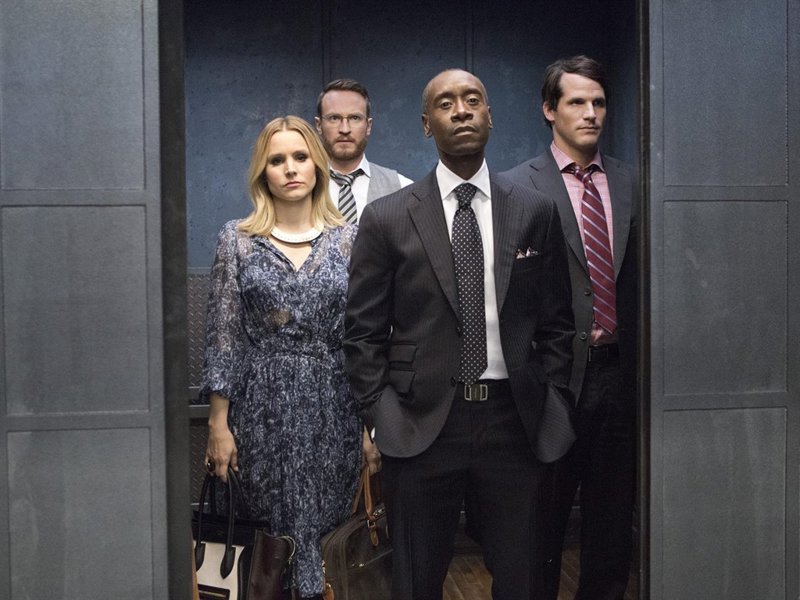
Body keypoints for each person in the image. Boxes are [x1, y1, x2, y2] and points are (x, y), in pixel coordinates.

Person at [343, 68, 575, 600]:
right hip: (420, 427)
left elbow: (558, 324)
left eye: (473, 100)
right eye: (446, 104)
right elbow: (362, 335)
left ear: (490, 116)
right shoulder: (387, 218)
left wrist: (555, 401)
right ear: (427, 124)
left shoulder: (534, 211)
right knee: (416, 583)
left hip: (516, 424)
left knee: (522, 582)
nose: (462, 110)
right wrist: (383, 416)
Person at [200, 115, 362, 600]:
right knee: (267, 540)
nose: (290, 168)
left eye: (300, 156)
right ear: (262, 172)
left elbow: (362, 337)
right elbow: (223, 335)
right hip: (260, 413)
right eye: (277, 160)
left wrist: (370, 428)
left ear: (317, 165)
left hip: (334, 407)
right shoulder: (237, 239)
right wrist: (218, 425)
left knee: (329, 532)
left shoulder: (350, 239)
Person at [501, 55, 639, 600]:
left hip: (620, 377)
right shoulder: (517, 187)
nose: (590, 113)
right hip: (551, 380)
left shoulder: (633, 182)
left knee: (612, 525)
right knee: (541, 523)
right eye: (577, 102)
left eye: (599, 102)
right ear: (549, 110)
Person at [315, 78, 412, 223]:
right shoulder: (301, 186)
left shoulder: (402, 189)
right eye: (334, 118)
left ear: (368, 126)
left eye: (355, 118)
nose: (345, 129)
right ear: (318, 125)